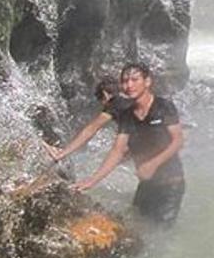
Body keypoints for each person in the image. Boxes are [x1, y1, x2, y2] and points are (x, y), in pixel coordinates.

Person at [76, 63, 186, 225]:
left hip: (170, 184)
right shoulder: (127, 114)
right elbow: (118, 150)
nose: (129, 85)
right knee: (135, 224)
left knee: (162, 233)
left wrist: (152, 164)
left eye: (135, 80)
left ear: (147, 82)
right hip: (147, 184)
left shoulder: (164, 106)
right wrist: (92, 180)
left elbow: (178, 141)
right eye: (125, 81)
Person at [44, 75, 134, 162]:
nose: (103, 105)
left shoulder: (114, 103)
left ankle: (62, 155)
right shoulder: (131, 99)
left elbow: (90, 129)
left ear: (105, 95)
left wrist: (61, 154)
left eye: (100, 98)